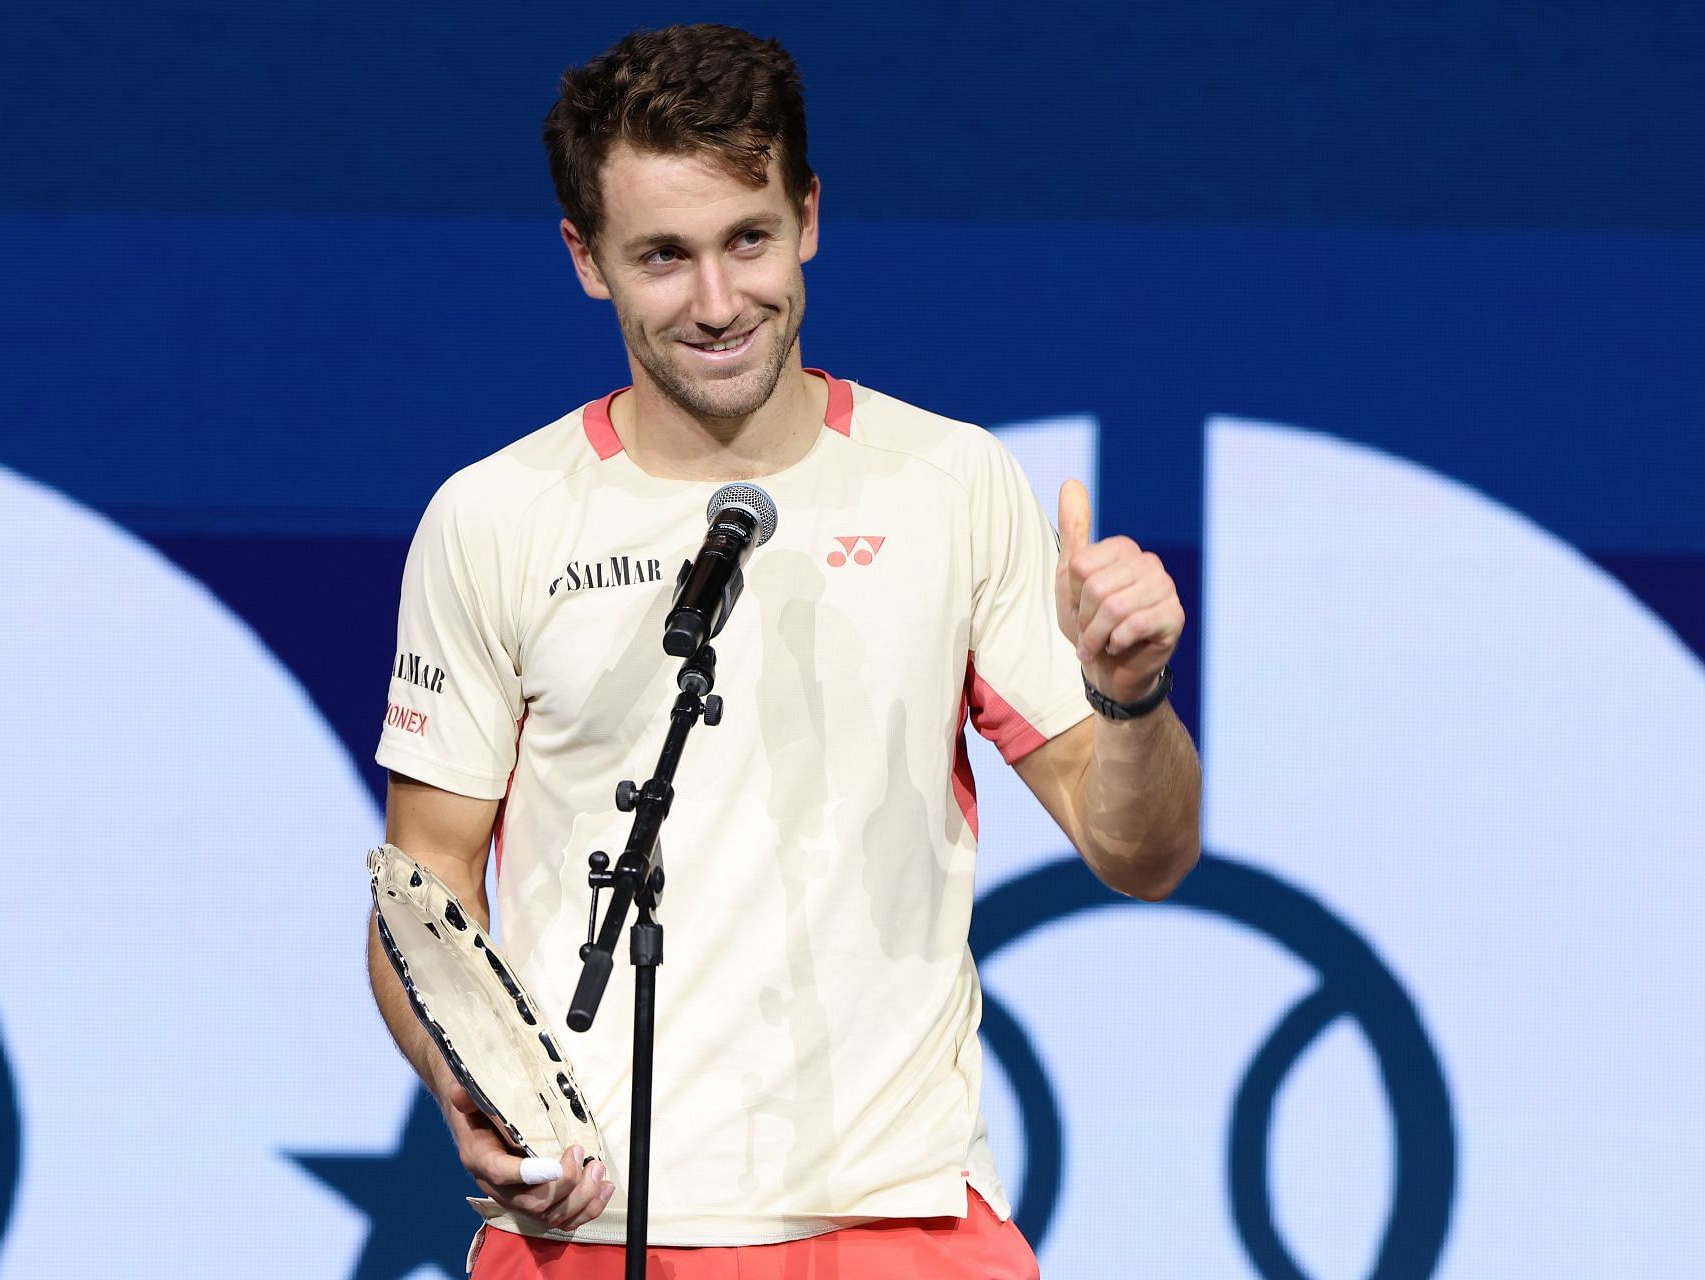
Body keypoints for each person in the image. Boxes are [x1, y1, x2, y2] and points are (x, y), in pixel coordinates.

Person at [368, 23, 1201, 1278]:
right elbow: (423, 890)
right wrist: (462, 1084)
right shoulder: (493, 518)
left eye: (748, 238)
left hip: (903, 1224)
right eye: (662, 255)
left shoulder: (949, 482)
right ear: (585, 259)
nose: (717, 303)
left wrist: (1128, 699)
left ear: (808, 215)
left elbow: (1144, 854)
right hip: (589, 1233)